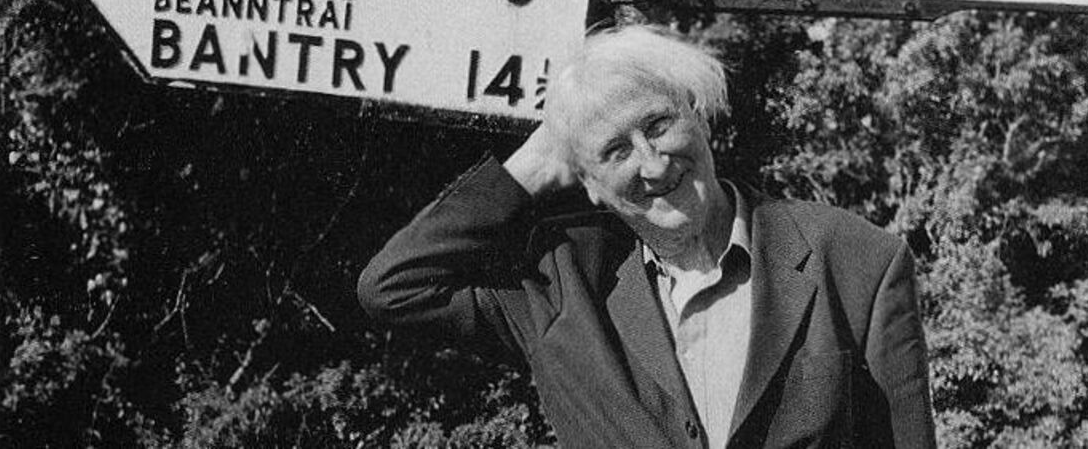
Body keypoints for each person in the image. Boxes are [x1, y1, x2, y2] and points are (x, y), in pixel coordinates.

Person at [358, 24, 935, 448]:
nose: (654, 165)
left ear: (697, 113)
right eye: (615, 151)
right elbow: (393, 287)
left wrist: (598, 148)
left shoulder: (855, 259)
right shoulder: (559, 285)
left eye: (659, 124)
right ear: (586, 184)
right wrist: (533, 167)